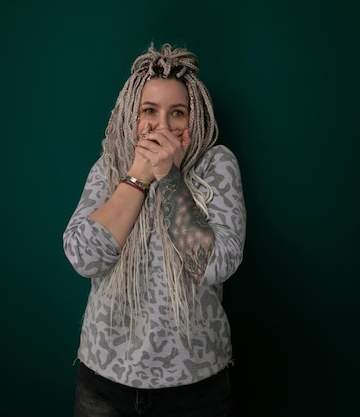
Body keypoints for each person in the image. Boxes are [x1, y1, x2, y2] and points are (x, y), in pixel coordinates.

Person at [63, 42, 246, 417]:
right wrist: (139, 176)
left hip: (195, 388)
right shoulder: (109, 166)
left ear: (193, 121)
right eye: (150, 111)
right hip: (104, 383)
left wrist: (170, 177)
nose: (162, 126)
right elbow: (84, 256)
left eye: (177, 113)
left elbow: (215, 265)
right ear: (133, 115)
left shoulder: (216, 165)